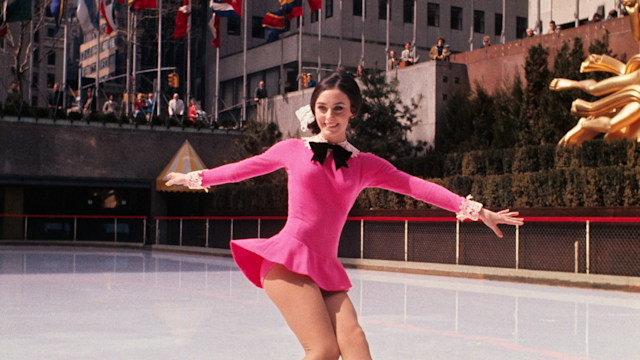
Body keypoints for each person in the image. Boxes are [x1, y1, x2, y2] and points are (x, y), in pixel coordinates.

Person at [165, 71, 524, 359]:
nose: (329, 116)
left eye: (339, 108)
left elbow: (417, 187)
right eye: (322, 107)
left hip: (324, 266)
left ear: (353, 110)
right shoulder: (292, 150)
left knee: (354, 343)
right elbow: (244, 169)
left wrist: (478, 211)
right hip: (287, 261)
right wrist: (194, 177)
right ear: (313, 110)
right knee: (322, 350)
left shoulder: (365, 164)